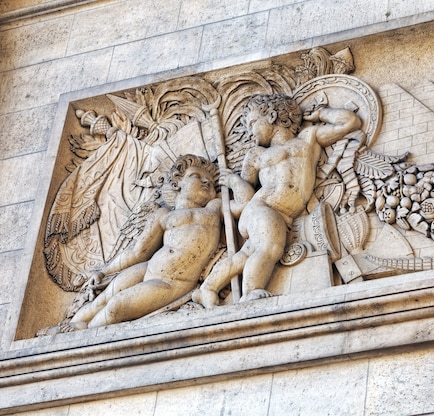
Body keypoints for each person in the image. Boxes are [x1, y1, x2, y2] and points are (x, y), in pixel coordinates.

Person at [192, 94, 361, 306]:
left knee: (247, 255)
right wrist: (235, 181)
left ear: (271, 116)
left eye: (253, 123)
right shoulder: (254, 155)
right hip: (261, 208)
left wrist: (321, 113)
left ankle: (208, 288)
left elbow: (350, 122)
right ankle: (251, 293)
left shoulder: (308, 138)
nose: (250, 132)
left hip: (282, 216)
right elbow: (244, 200)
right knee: (270, 247)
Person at [62, 154, 222, 329]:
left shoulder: (214, 209)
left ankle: (85, 332)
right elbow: (138, 252)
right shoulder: (163, 215)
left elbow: (242, 203)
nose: (206, 182)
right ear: (178, 183)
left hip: (172, 282)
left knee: (117, 305)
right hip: (148, 267)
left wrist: (233, 181)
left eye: (210, 182)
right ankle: (69, 327)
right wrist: (102, 272)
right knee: (108, 295)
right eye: (196, 176)